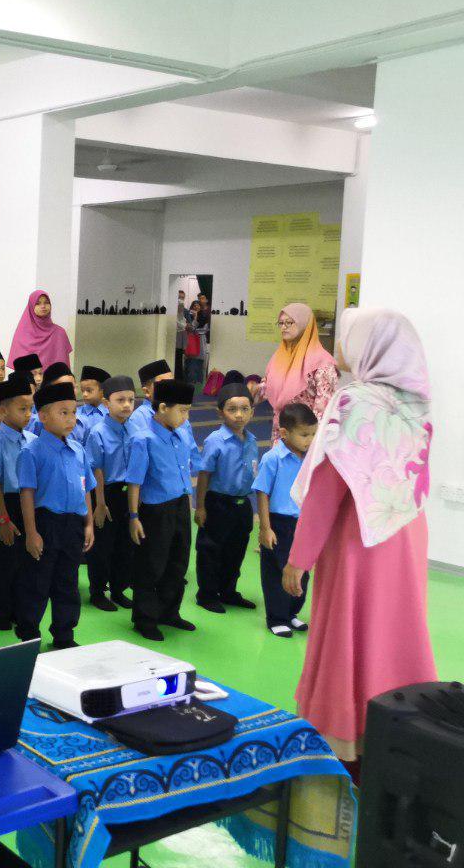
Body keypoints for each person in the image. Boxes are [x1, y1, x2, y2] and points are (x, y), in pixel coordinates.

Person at [283, 308, 436, 776]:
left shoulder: (355, 402)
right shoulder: (415, 404)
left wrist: (299, 557)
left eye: (349, 336)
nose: (340, 345)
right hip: (403, 534)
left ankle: (343, 733)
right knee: (394, 629)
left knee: (351, 630)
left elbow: (328, 488)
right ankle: (397, 729)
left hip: (358, 541)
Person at [17, 381, 95, 650]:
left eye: (73, 412)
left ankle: (64, 634)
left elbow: (86, 488)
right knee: (37, 582)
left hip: (73, 525)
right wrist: (31, 533)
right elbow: (27, 494)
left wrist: (88, 524)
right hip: (46, 523)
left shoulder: (78, 450)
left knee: (67, 581)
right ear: (43, 416)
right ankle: (29, 635)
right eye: (63, 413)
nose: (71, 419)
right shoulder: (32, 452)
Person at [125, 379, 197, 642]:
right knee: (151, 564)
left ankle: (169, 611)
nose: (186, 417)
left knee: (178, 562)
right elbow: (134, 482)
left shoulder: (181, 434)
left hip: (180, 506)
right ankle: (144, 618)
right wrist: (134, 516)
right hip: (155, 511)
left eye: (188, 411)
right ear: (163, 407)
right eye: (183, 410)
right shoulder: (143, 439)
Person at [193, 382, 259, 614]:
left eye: (244, 409)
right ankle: (207, 595)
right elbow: (204, 475)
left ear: (252, 412)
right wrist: (200, 507)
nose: (239, 415)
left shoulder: (251, 440)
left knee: (236, 550)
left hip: (242, 504)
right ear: (220, 412)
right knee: (211, 551)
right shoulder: (215, 440)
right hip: (218, 503)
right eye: (232, 409)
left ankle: (228, 591)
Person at [254, 402, 317, 639]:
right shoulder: (273, 458)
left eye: (313, 434)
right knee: (276, 571)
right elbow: (262, 492)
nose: (310, 440)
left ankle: (292, 612)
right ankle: (276, 618)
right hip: (279, 523)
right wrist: (265, 528)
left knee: (302, 569)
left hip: (304, 523)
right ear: (284, 433)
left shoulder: (311, 459)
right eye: (304, 435)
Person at [0, 375, 35, 632]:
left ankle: (19, 610)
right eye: (22, 409)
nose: (28, 414)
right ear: (2, 411)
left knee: (26, 564)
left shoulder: (32, 440)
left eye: (30, 408)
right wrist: (3, 519)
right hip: (6, 506)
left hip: (29, 504)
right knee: (3, 563)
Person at [86, 375, 136, 613]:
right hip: (106, 494)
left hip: (130, 492)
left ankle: (118, 589)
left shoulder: (135, 429)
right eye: (120, 400)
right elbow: (97, 470)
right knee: (103, 545)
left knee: (125, 545)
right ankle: (97, 592)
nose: (126, 405)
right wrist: (100, 503)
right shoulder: (98, 432)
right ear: (107, 403)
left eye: (131, 400)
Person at [257, 303, 339, 442]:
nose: (283, 327)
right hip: (281, 431)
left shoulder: (321, 361)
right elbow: (271, 386)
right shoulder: (281, 356)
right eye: (281, 323)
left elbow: (324, 406)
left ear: (304, 325)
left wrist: (310, 439)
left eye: (289, 322)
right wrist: (254, 391)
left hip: (306, 435)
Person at [7, 289, 72, 371]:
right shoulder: (22, 334)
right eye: (38, 303)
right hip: (29, 379)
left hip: (55, 378)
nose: (43, 306)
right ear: (31, 306)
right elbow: (20, 367)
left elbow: (64, 365)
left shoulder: (59, 333)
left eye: (46, 302)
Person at [73, 366, 110, 446]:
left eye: (89, 390)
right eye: (83, 390)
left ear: (102, 392)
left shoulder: (110, 413)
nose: (84, 394)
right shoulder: (77, 415)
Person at [182, 299, 210, 386]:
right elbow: (189, 328)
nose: (196, 307)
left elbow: (203, 329)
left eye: (198, 305)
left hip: (201, 343)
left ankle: (198, 383)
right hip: (191, 343)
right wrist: (194, 320)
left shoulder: (204, 316)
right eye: (194, 305)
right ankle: (190, 383)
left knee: (200, 364)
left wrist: (196, 319)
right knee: (190, 363)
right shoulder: (188, 315)